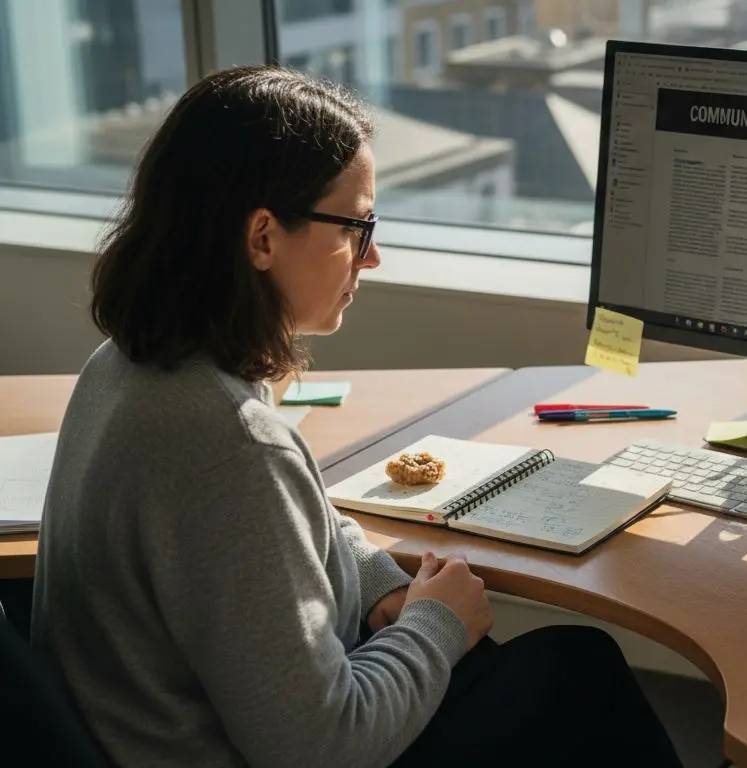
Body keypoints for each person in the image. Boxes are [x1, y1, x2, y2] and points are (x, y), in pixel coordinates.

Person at [29, 65, 683, 768]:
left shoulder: (130, 364)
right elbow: (321, 748)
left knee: (543, 671)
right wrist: (437, 621)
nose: (372, 257)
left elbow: (289, 530)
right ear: (262, 238)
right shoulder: (230, 443)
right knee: (577, 676)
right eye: (356, 226)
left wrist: (381, 589)